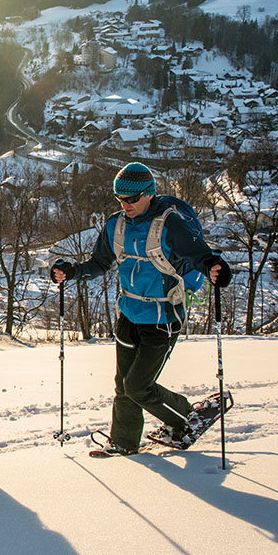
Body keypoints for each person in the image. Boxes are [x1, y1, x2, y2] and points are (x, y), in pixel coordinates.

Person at [50, 162, 232, 455]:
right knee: (123, 384)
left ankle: (186, 417)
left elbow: (200, 255)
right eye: (120, 198)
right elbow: (99, 263)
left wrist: (215, 268)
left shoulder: (170, 223)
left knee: (138, 386)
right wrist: (72, 271)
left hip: (162, 318)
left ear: (149, 194)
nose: (125, 204)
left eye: (131, 199)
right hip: (129, 313)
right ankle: (123, 442)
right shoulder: (116, 224)